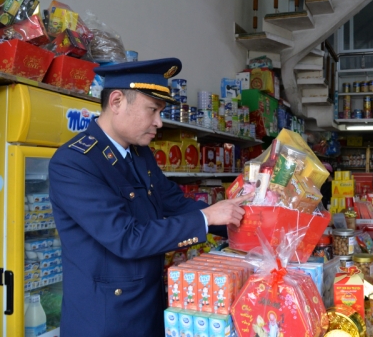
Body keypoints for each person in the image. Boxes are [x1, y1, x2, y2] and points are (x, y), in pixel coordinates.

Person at [49, 58, 253, 337]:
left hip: (149, 310)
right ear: (117, 101)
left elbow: (175, 203)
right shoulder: (74, 162)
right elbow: (126, 238)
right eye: (152, 110)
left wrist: (246, 224)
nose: (158, 122)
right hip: (105, 320)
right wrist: (206, 217)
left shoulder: (139, 154)